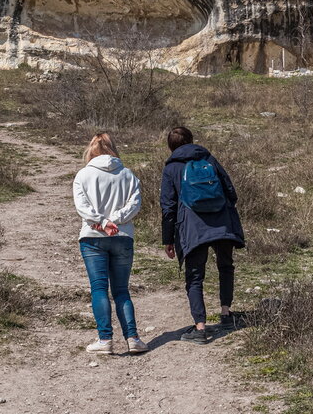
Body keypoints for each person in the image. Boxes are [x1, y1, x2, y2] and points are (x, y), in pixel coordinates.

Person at [160, 126, 246, 344]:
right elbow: (230, 191)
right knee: (225, 267)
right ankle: (226, 314)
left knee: (195, 276)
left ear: (171, 146)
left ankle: (200, 328)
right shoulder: (208, 158)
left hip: (193, 227)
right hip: (222, 223)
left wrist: (168, 239)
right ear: (191, 140)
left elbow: (168, 207)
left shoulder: (171, 168)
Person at [73, 132, 147, 355]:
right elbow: (135, 205)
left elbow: (82, 207)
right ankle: (132, 338)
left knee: (99, 288)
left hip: (92, 237)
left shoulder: (83, 175)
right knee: (122, 290)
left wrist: (102, 222)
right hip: (122, 236)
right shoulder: (128, 174)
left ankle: (105, 340)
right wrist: (115, 221)